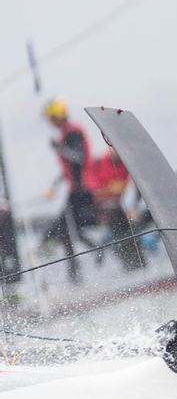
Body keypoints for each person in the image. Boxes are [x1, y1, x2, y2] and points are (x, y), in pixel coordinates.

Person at [39, 97, 97, 283]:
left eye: (50, 118)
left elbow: (78, 158)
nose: (50, 123)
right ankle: (75, 275)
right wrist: (53, 187)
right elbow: (69, 169)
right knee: (64, 230)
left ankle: (98, 248)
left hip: (82, 190)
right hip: (76, 190)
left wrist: (59, 148)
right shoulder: (66, 133)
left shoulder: (72, 133)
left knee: (61, 229)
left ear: (57, 116)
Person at [85, 149, 146, 271]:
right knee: (118, 229)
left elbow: (136, 189)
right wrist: (110, 189)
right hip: (101, 209)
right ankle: (129, 265)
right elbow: (91, 190)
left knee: (130, 228)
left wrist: (133, 207)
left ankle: (140, 264)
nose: (117, 153)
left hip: (121, 209)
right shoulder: (98, 164)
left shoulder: (127, 163)